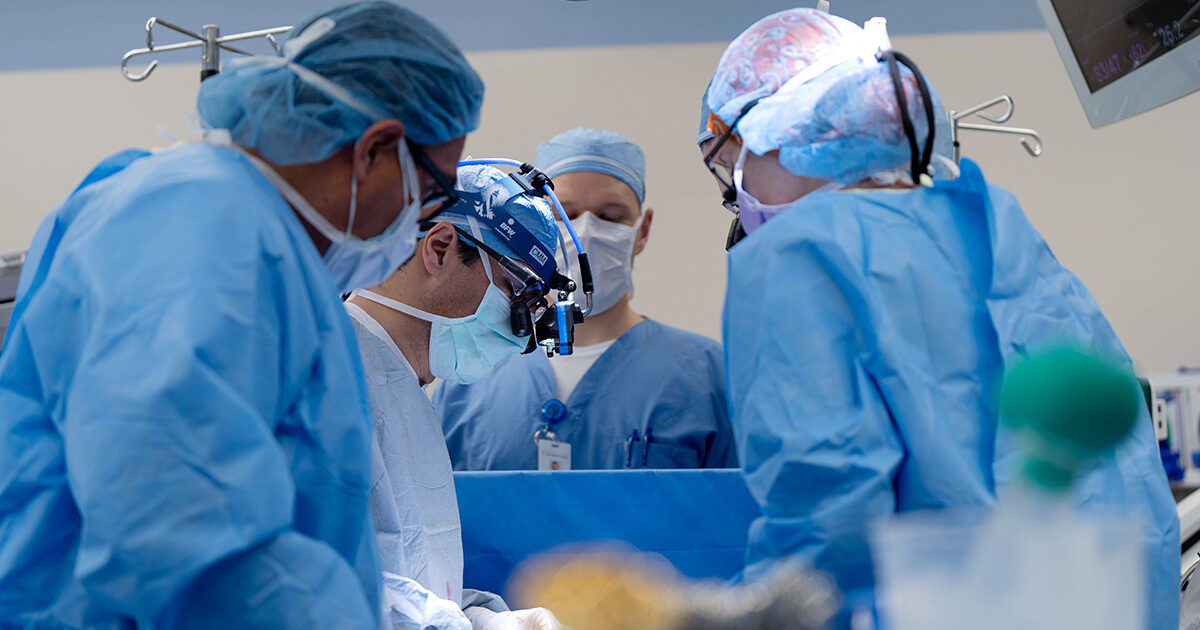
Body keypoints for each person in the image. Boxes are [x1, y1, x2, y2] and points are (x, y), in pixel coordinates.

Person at [0, 3, 483, 627]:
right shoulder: (200, 229)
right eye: (434, 190)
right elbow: (176, 526)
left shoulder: (266, 251)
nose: (423, 218)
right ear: (374, 149)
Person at [702, 8, 1179, 629]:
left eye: (731, 162)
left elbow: (825, 528)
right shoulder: (996, 223)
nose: (737, 194)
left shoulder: (794, 255)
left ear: (780, 132)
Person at [434, 128, 735, 470]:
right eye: (565, 215)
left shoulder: (709, 377)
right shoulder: (469, 375)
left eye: (610, 217)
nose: (586, 231)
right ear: (532, 226)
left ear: (644, 230)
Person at [346, 164, 563, 630]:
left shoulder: (402, 390)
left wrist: (483, 621)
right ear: (441, 248)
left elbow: (409, 578)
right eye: (516, 292)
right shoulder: (328, 382)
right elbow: (322, 589)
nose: (519, 329)